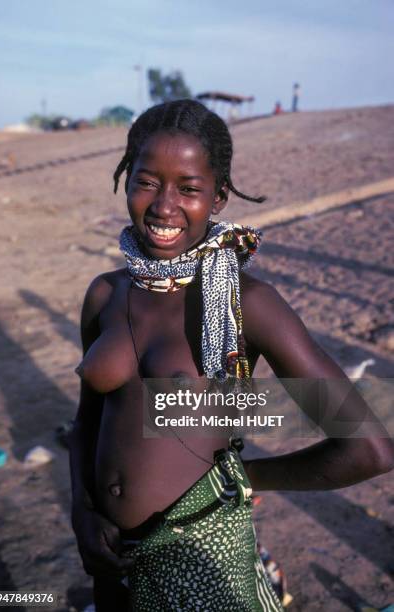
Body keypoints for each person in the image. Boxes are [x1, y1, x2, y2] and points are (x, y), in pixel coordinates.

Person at [69, 99, 394, 611]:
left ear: (218, 198)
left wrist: (245, 480)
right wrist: (83, 510)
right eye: (147, 180)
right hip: (111, 561)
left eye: (189, 189)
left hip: (201, 557)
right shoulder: (106, 295)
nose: (163, 206)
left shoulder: (247, 305)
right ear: (126, 180)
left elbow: (367, 449)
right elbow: (88, 419)